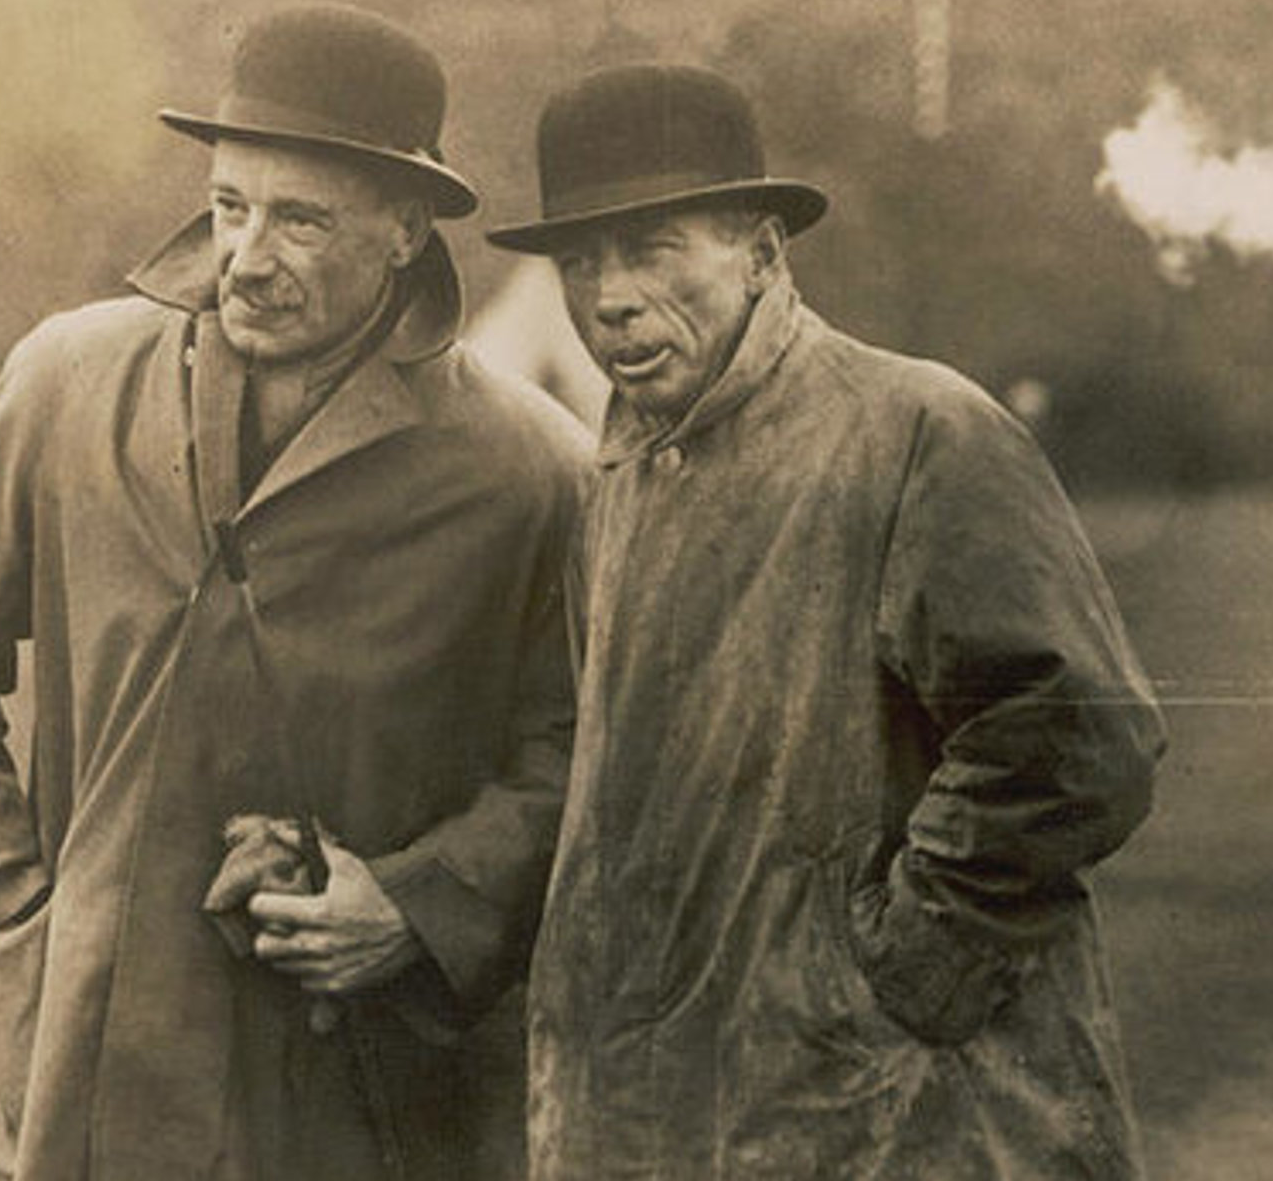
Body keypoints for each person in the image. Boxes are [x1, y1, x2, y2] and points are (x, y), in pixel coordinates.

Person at [0, 3, 590, 1181]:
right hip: (60, 1085)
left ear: (405, 229)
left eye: (299, 219)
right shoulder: (67, 383)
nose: (246, 255)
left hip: (361, 1098)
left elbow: (579, 759)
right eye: (229, 206)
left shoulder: (528, 471)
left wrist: (414, 904)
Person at [488, 63, 1166, 1179]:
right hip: (681, 1116)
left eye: (654, 247)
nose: (606, 296)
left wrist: (895, 973)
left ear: (762, 251)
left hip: (906, 1117)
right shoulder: (618, 472)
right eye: (579, 261)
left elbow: (1075, 740)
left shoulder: (917, 431)